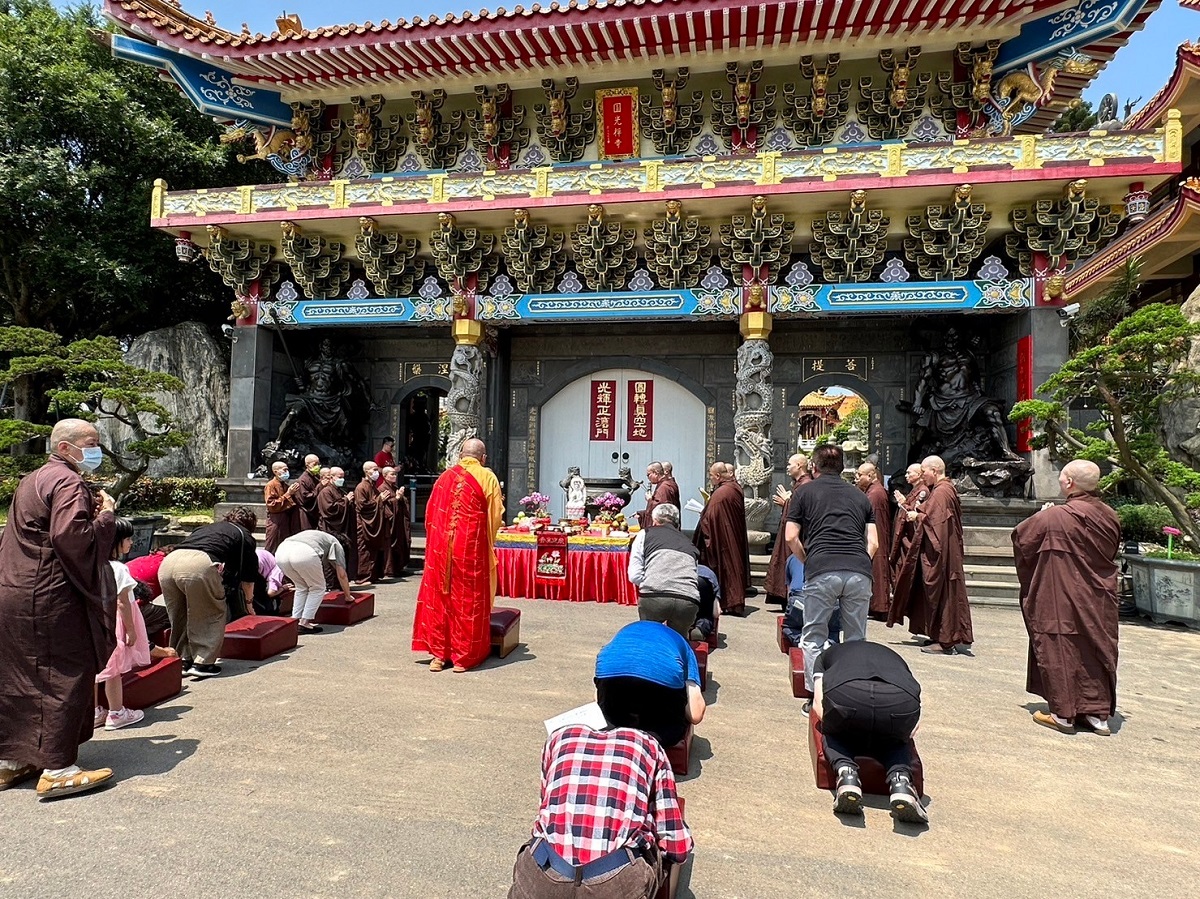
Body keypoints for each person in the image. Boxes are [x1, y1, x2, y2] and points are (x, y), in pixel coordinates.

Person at [0, 419, 118, 800]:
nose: (96, 451)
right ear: (65, 448)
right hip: (49, 596)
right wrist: (106, 518)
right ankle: (58, 768)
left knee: (21, 674)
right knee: (66, 672)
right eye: (91, 444)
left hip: (14, 590)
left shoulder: (31, 479)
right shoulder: (68, 481)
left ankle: (13, 759)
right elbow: (71, 538)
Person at [509, 676, 693, 898]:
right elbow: (676, 845)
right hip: (615, 882)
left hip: (543, 876)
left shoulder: (559, 737)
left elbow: (544, 814)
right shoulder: (649, 746)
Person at [1012, 460, 1122, 736]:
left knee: (1060, 646)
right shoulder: (1109, 515)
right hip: (1098, 597)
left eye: (1061, 477)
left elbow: (1022, 539)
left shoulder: (1054, 516)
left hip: (1062, 595)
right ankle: (1097, 716)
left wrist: (1043, 516)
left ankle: (1063, 715)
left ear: (1069, 482)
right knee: (1096, 648)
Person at [785, 444, 877, 705]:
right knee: (856, 637)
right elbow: (873, 543)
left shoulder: (804, 493)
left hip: (822, 567)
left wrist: (808, 560)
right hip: (859, 571)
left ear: (814, 467)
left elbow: (791, 536)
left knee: (814, 635)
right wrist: (860, 562)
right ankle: (851, 692)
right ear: (842, 467)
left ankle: (816, 697)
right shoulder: (861, 497)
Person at [412, 438, 504, 672]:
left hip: (440, 550)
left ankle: (438, 656)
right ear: (483, 458)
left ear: (460, 455)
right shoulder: (487, 477)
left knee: (440, 599)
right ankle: (464, 658)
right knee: (468, 600)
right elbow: (495, 517)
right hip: (470, 550)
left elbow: (430, 514)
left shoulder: (444, 478)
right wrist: (489, 542)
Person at [811, 640, 926, 823]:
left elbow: (818, 706)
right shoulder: (894, 656)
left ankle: (846, 774)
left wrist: (837, 725)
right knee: (896, 741)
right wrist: (904, 731)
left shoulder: (824, 656)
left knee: (832, 731)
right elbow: (913, 704)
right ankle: (901, 783)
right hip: (899, 701)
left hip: (848, 694)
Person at [159, 507, 259, 678]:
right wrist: (249, 603)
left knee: (180, 615)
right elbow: (248, 579)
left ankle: (182, 660)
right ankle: (202, 663)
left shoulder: (207, 528)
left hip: (168, 563)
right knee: (211, 612)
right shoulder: (244, 535)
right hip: (198, 564)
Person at [889, 455, 974, 655]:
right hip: (944, 551)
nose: (922, 476)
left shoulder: (942, 492)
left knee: (943, 594)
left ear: (934, 471)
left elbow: (935, 522)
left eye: (924, 472)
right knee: (936, 593)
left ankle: (945, 641)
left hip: (941, 554)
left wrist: (917, 516)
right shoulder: (942, 489)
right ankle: (938, 635)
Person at [595, 620, 706, 750]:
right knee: (670, 729)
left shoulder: (625, 632)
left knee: (610, 716)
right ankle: (653, 737)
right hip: (662, 672)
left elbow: (597, 698)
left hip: (611, 667)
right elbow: (695, 714)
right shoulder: (685, 647)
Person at [94, 518, 149, 732]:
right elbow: (122, 602)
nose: (131, 543)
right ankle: (116, 713)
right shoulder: (118, 568)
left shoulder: (92, 566)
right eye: (127, 539)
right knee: (114, 669)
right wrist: (131, 630)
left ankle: (94, 711)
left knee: (95, 669)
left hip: (97, 620)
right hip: (116, 622)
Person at [628, 503, 700, 638]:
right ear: (677, 523)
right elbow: (694, 576)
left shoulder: (646, 534)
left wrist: (651, 582)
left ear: (655, 521)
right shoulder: (689, 544)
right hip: (687, 600)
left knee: (649, 639)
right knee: (677, 641)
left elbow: (634, 575)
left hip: (654, 596)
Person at [692, 462, 750, 616]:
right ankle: (734, 602)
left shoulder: (721, 493)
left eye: (711, 476)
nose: (710, 479)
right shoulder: (734, 487)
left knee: (727, 567)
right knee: (733, 565)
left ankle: (730, 602)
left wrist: (703, 514)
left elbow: (711, 517)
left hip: (723, 538)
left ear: (718, 476)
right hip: (731, 534)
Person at [275, 530, 354, 633]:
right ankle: (304, 622)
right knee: (318, 588)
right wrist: (348, 596)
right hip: (304, 553)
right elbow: (342, 575)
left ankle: (295, 620)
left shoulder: (317, 535)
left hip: (281, 551)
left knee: (301, 587)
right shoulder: (336, 543)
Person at [765, 453, 811, 606]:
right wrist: (787, 503)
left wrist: (787, 502)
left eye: (790, 464)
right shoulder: (800, 484)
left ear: (799, 465)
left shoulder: (806, 485)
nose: (787, 467)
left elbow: (803, 511)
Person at [856, 462, 894, 621]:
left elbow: (873, 520)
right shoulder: (872, 492)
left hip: (876, 537)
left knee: (878, 570)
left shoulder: (876, 494)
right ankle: (876, 606)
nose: (856, 478)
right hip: (874, 537)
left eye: (860, 475)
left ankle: (880, 607)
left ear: (870, 476)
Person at [354, 461, 389, 583]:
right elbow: (362, 506)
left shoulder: (373, 486)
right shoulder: (361, 487)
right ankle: (362, 577)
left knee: (374, 549)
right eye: (374, 470)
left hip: (374, 523)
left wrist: (381, 500)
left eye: (377, 470)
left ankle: (373, 575)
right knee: (364, 550)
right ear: (366, 471)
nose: (376, 472)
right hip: (364, 523)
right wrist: (379, 500)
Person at [379, 466, 412, 576]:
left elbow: (401, 501)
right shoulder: (382, 488)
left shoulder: (394, 487)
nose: (394, 476)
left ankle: (398, 567)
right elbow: (384, 505)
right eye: (392, 474)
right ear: (385, 476)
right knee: (391, 544)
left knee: (400, 543)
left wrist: (401, 497)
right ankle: (390, 569)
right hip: (390, 523)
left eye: (395, 474)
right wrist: (397, 498)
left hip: (398, 522)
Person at [263, 461, 301, 552]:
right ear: (275, 472)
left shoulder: (284, 485)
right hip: (276, 520)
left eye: (287, 469)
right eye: (284, 470)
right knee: (272, 546)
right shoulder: (271, 485)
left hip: (285, 519)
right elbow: (271, 505)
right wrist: (288, 494)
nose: (287, 472)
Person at [639, 461, 680, 529]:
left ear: (656, 473)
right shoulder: (666, 484)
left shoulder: (664, 487)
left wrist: (649, 499)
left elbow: (661, 510)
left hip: (664, 529)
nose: (648, 477)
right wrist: (641, 514)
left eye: (648, 474)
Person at [292, 454, 322, 530]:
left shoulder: (315, 477)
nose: (317, 466)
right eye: (315, 464)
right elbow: (305, 497)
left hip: (314, 512)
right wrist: (319, 487)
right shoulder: (303, 480)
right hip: (306, 513)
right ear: (307, 465)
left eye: (318, 464)